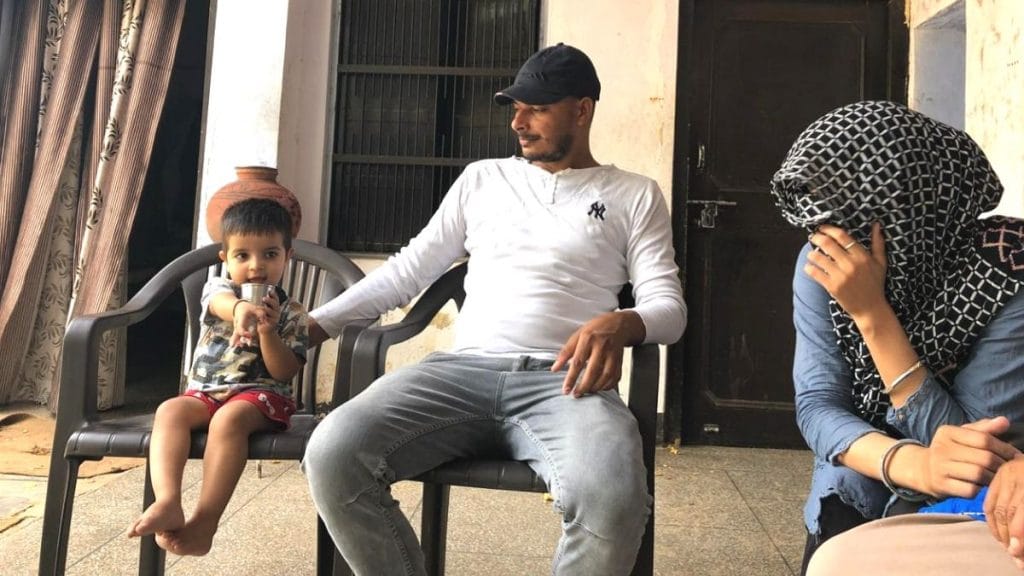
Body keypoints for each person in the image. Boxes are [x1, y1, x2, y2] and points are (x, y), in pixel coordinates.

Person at [302, 43, 685, 576]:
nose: (519, 122)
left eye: (537, 108)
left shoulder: (634, 194)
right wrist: (315, 326)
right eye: (515, 108)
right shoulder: (483, 179)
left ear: (582, 108)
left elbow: (669, 307)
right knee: (333, 452)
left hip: (565, 384)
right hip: (459, 374)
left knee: (614, 496)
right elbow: (408, 270)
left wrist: (624, 322)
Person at [769, 100, 1024, 574]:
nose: (830, 240)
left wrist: (873, 316)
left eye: (847, 216)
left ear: (915, 204)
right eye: (817, 218)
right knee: (841, 496)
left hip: (986, 503)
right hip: (868, 466)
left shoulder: (1007, 268)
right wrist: (906, 464)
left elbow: (976, 454)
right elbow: (819, 404)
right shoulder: (820, 263)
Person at [128, 198, 309, 556]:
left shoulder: (292, 311)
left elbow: (284, 371)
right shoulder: (219, 291)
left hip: (261, 397)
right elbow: (219, 303)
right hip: (206, 393)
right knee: (170, 411)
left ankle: (206, 521)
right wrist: (242, 309)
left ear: (287, 256)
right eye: (243, 256)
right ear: (225, 260)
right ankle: (168, 500)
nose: (256, 266)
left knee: (229, 419)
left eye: (270, 254)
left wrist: (268, 333)